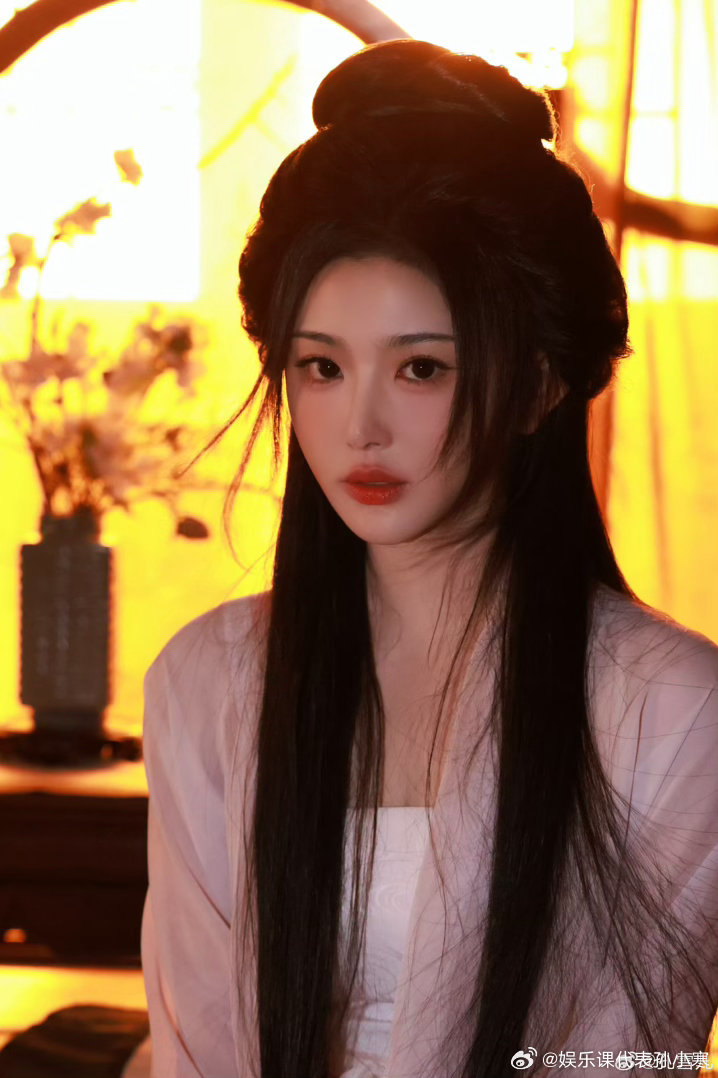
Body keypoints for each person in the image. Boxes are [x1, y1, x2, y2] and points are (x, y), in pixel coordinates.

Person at [139, 39, 718, 1078]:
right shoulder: (210, 680)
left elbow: (619, 1058)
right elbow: (202, 1047)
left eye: (420, 368)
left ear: (539, 384)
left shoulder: (669, 708)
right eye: (321, 366)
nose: (359, 426)